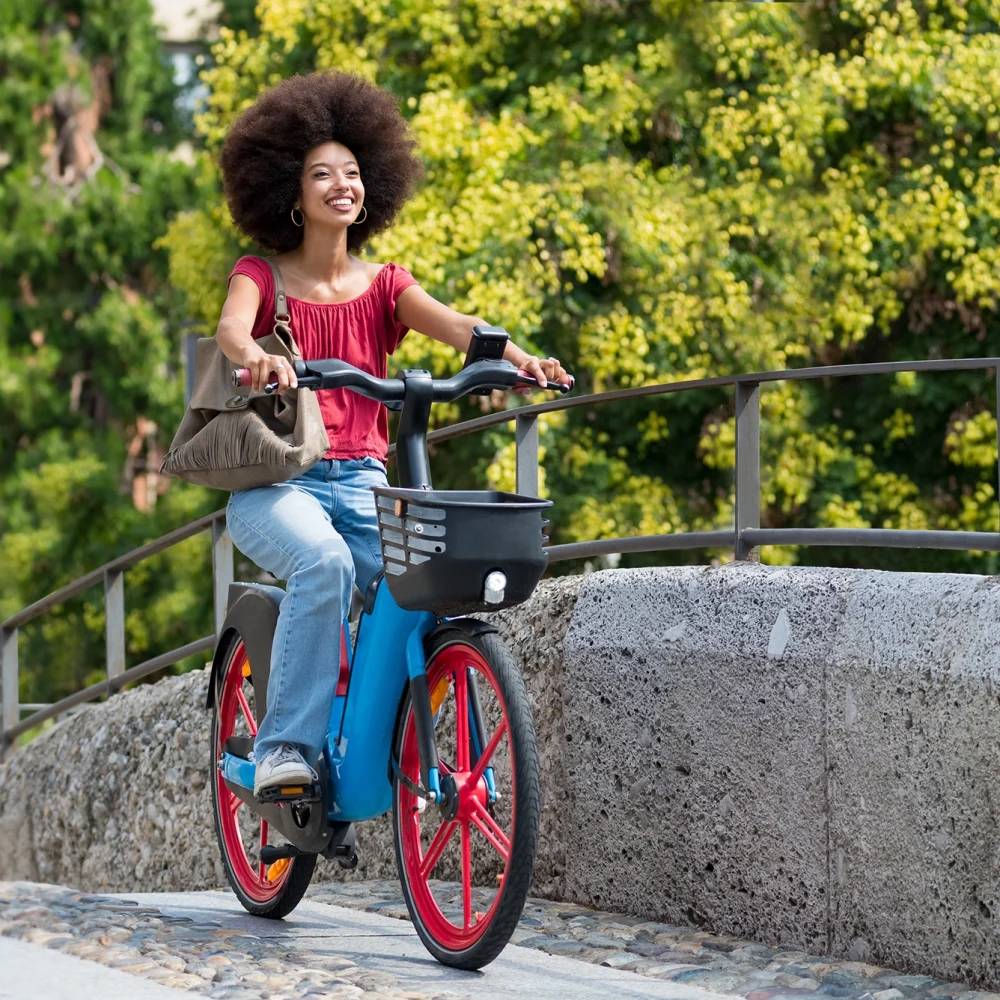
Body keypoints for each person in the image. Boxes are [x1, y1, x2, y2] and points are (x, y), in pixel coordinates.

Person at [214, 71, 570, 796]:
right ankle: (285, 747)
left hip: (365, 480)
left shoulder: (385, 285)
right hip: (280, 483)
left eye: (351, 172)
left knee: (434, 586)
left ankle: (428, 750)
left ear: (370, 186)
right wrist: (259, 359)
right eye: (321, 174)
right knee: (324, 566)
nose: (340, 184)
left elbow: (462, 328)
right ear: (292, 193)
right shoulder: (263, 274)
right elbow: (229, 329)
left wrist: (521, 361)